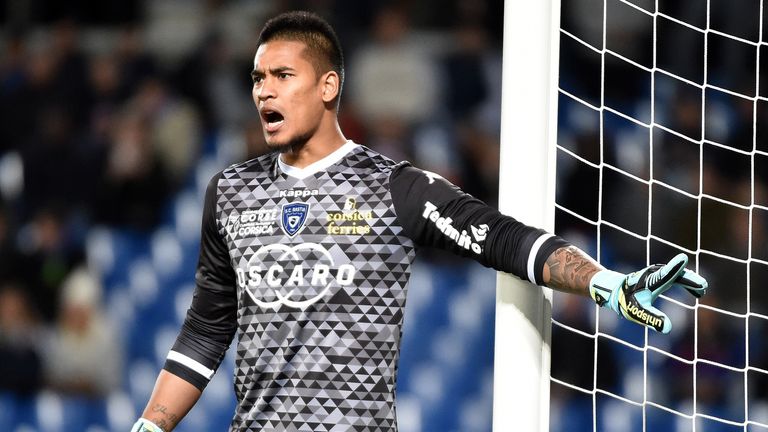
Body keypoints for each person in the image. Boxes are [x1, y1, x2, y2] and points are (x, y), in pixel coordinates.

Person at [132, 11, 708, 432]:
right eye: (258, 78)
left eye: (283, 75)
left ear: (328, 86)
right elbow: (207, 330)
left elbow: (504, 239)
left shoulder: (394, 188)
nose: (264, 91)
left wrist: (605, 282)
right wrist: (152, 425)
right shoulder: (230, 193)